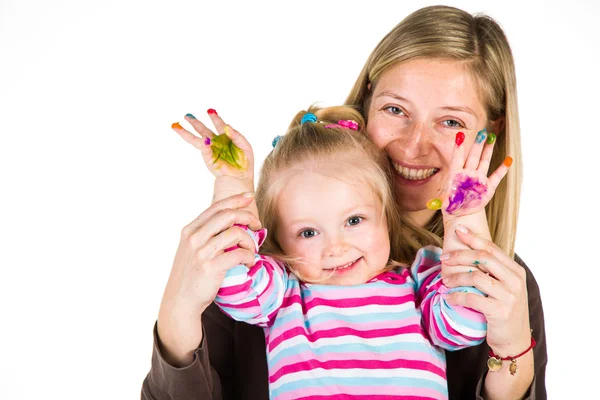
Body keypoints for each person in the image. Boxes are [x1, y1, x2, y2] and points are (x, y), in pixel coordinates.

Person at [142, 5, 547, 400]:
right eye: (395, 109)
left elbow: (461, 318)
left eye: (451, 122)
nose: (413, 145)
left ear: (492, 132)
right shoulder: (270, 263)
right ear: (367, 102)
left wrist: (511, 347)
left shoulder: (485, 282)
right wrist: (177, 314)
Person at [192, 104, 506, 399]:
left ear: (386, 215)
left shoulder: (420, 287)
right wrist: (234, 185)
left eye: (354, 220)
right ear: (280, 241)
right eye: (308, 232)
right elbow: (231, 276)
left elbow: (468, 322)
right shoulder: (281, 292)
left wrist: (465, 217)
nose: (336, 247)